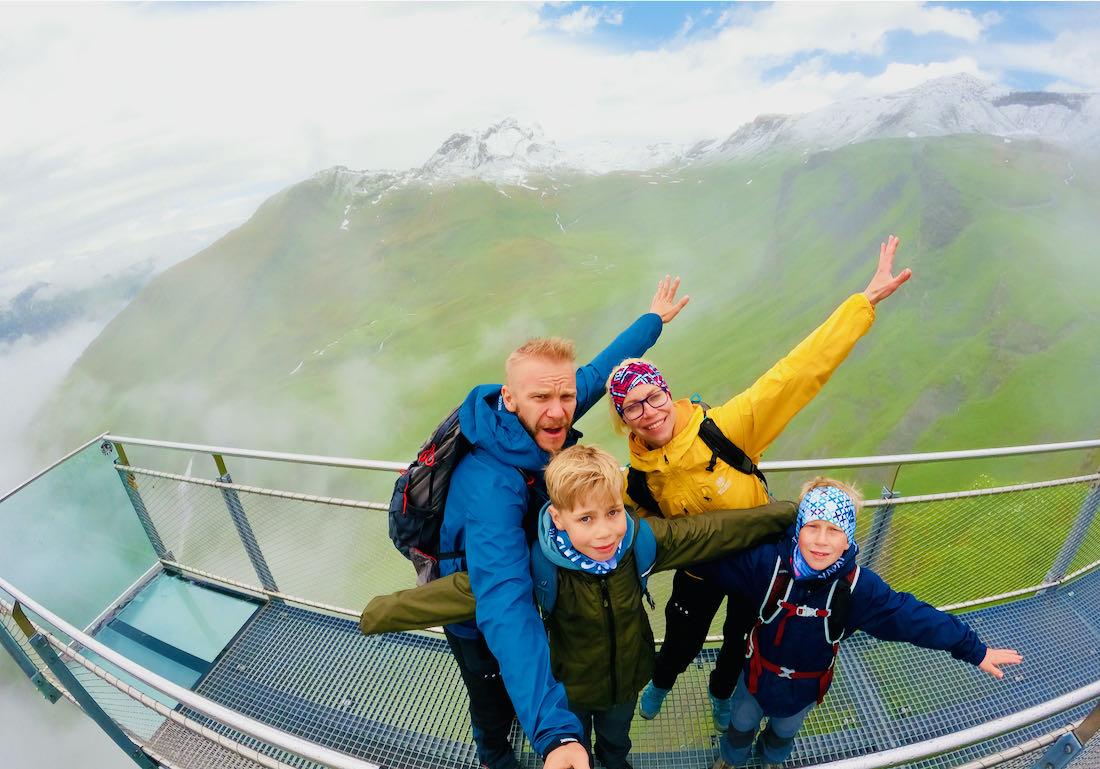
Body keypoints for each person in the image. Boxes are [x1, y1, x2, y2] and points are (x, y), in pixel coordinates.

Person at [606, 236, 912, 730]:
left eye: (654, 396)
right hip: (700, 572)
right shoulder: (636, 480)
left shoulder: (726, 428)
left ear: (668, 392)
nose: (649, 412)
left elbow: (796, 373)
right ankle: (662, 684)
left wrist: (864, 302)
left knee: (740, 639)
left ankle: (721, 694)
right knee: (681, 638)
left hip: (762, 562)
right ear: (624, 421)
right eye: (633, 407)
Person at [360, 444, 798, 769]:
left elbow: (711, 532)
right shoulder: (535, 565)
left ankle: (614, 760)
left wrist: (786, 514)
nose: (605, 532)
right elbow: (462, 592)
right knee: (576, 746)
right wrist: (380, 614)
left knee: (616, 742)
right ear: (558, 518)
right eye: (586, 519)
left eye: (612, 512)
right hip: (567, 686)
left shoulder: (638, 541)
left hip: (627, 679)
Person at [437, 278, 690, 769]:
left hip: (524, 576)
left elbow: (598, 369)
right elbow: (506, 605)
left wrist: (653, 320)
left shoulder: (548, 406)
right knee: (492, 701)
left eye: (566, 397)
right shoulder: (492, 486)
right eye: (542, 399)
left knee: (529, 669)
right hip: (477, 608)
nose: (559, 412)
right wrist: (556, 737)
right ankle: (496, 759)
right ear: (509, 399)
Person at [693, 478, 1023, 767]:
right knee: (741, 723)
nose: (821, 540)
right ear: (798, 529)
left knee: (784, 732)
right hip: (755, 677)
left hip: (803, 689)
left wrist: (972, 649)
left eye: (834, 530)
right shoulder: (768, 566)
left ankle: (769, 759)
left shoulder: (858, 588)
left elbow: (911, 617)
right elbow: (709, 557)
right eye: (812, 526)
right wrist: (654, 547)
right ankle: (734, 761)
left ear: (848, 538)